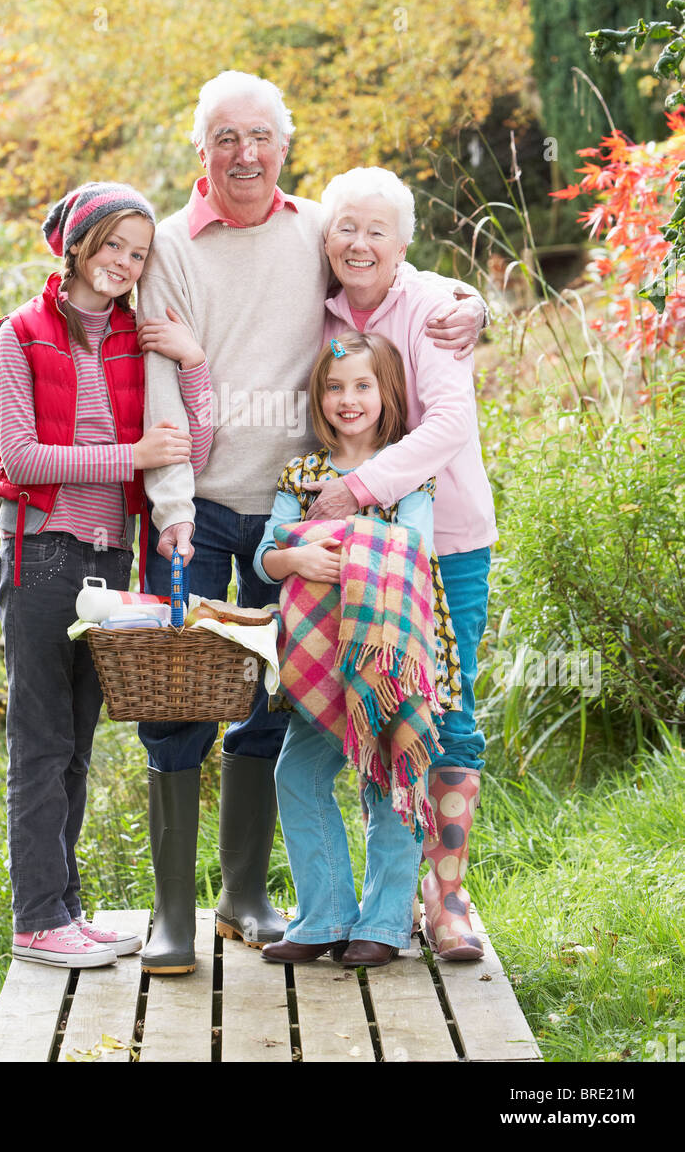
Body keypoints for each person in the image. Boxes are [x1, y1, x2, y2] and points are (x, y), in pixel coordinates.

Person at [135, 70, 488, 975]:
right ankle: (193, 912)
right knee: (182, 697)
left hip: (357, 519)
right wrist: (179, 507)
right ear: (201, 150)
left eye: (262, 137)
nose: (245, 154)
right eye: (225, 138)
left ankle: (333, 900)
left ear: (285, 149)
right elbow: (168, 380)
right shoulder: (188, 248)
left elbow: (400, 284)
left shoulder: (337, 249)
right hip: (232, 508)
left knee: (331, 714)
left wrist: (471, 301)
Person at [0, 181, 213, 968]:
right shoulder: (20, 334)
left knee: (79, 743)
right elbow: (22, 458)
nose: (123, 263)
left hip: (112, 557)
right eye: (112, 244)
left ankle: (65, 912)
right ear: (79, 244)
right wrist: (132, 458)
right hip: (41, 551)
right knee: (40, 741)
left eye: (138, 253)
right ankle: (35, 918)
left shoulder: (138, 342)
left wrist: (194, 365)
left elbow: (194, 449)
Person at [303, 167, 498, 960]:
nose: (359, 243)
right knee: (371, 708)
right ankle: (383, 899)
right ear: (326, 238)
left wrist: (356, 488)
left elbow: (449, 421)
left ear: (405, 243)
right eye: (346, 227)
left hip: (443, 540)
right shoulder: (317, 314)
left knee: (448, 711)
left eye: (377, 230)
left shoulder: (434, 309)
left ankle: (445, 895)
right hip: (354, 553)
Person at [254, 332, 459, 968]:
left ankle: (386, 923)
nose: (348, 399)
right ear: (319, 398)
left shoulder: (405, 470)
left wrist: (328, 539)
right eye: (335, 387)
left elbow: (416, 552)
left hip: (389, 650)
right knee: (298, 771)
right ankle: (325, 917)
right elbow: (267, 557)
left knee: (394, 770)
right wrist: (300, 554)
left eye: (362, 386)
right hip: (317, 653)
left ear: (386, 393)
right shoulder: (303, 473)